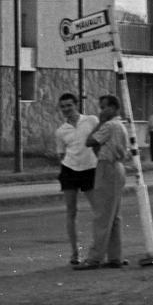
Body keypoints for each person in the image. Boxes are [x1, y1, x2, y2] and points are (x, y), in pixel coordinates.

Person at [75, 94, 129, 270]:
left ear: (113, 108)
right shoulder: (121, 125)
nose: (102, 111)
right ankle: (115, 256)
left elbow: (90, 141)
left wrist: (99, 122)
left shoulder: (109, 125)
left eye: (105, 107)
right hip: (118, 167)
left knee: (103, 215)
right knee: (114, 215)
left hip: (107, 167)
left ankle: (94, 258)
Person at [52, 93, 98, 267]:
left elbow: (99, 140)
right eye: (63, 106)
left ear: (76, 105)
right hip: (70, 170)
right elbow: (61, 153)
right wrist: (66, 164)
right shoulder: (61, 131)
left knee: (98, 210)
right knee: (71, 211)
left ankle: (98, 250)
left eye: (69, 105)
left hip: (90, 169)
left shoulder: (91, 121)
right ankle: (75, 252)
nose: (66, 109)